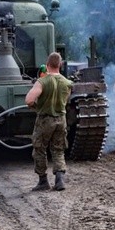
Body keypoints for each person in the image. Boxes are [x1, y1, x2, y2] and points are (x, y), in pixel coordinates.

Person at [25, 52, 73, 191]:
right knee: (58, 149)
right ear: (60, 65)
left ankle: (43, 181)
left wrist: (35, 107)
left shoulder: (42, 82)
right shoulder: (67, 83)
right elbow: (65, 101)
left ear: (47, 65)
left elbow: (29, 100)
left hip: (45, 120)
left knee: (39, 149)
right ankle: (59, 180)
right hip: (61, 120)